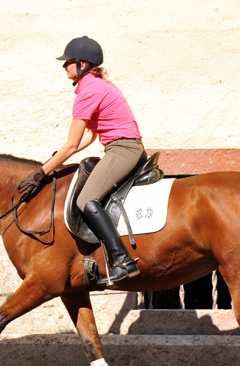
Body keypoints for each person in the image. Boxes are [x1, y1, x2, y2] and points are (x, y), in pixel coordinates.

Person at [18, 36, 145, 286]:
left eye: (67, 62)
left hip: (123, 149)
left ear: (82, 64)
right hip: (122, 147)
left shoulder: (89, 91)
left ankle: (123, 261)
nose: (64, 67)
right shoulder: (98, 85)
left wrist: (41, 172)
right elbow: (90, 136)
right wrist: (62, 157)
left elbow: (72, 144)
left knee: (86, 199)